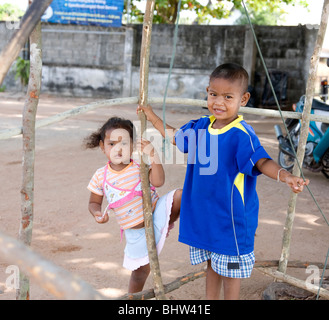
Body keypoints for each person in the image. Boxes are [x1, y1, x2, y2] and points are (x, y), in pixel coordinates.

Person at [137, 63, 309, 300]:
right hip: (205, 218)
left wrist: (286, 176)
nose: (219, 102)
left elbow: (261, 162)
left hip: (231, 221)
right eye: (213, 94)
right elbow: (174, 136)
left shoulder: (241, 134)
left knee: (231, 273)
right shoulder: (200, 127)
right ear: (207, 92)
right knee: (211, 265)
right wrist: (151, 116)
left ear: (244, 99)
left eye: (228, 96)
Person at [85, 117, 181, 294]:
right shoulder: (100, 176)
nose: (118, 149)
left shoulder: (139, 167)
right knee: (140, 271)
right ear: (102, 146)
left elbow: (158, 182)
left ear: (133, 145)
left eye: (124, 143)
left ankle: (174, 225)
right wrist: (97, 213)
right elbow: (93, 202)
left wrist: (153, 156)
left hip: (156, 214)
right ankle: (132, 300)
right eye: (112, 144)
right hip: (135, 232)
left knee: (180, 196)